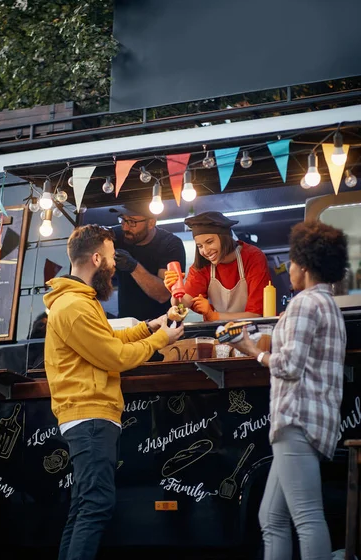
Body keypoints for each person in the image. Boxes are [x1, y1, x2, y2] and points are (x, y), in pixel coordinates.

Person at [43, 223, 184, 560]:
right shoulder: (74, 307)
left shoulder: (78, 302)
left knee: (83, 507)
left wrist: (150, 326)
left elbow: (109, 340)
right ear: (95, 257)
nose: (112, 263)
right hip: (89, 416)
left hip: (90, 415)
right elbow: (115, 357)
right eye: (109, 256)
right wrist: (161, 340)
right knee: (96, 505)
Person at [228, 220, 348, 560]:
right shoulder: (330, 307)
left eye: (293, 262)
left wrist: (253, 350)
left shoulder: (302, 304)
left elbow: (289, 365)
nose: (289, 269)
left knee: (306, 517)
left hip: (294, 419)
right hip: (316, 421)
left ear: (305, 266)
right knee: (271, 517)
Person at [164, 211, 270, 322]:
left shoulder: (253, 257)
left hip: (252, 331)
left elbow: (256, 315)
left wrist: (213, 316)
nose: (205, 251)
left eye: (209, 242)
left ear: (225, 238)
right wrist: (175, 293)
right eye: (199, 246)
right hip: (217, 332)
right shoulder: (202, 267)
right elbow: (182, 307)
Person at [112, 201, 186, 321]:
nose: (125, 227)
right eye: (123, 220)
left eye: (132, 222)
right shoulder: (118, 235)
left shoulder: (170, 244)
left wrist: (134, 267)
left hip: (162, 324)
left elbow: (163, 294)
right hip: (126, 323)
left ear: (151, 223)